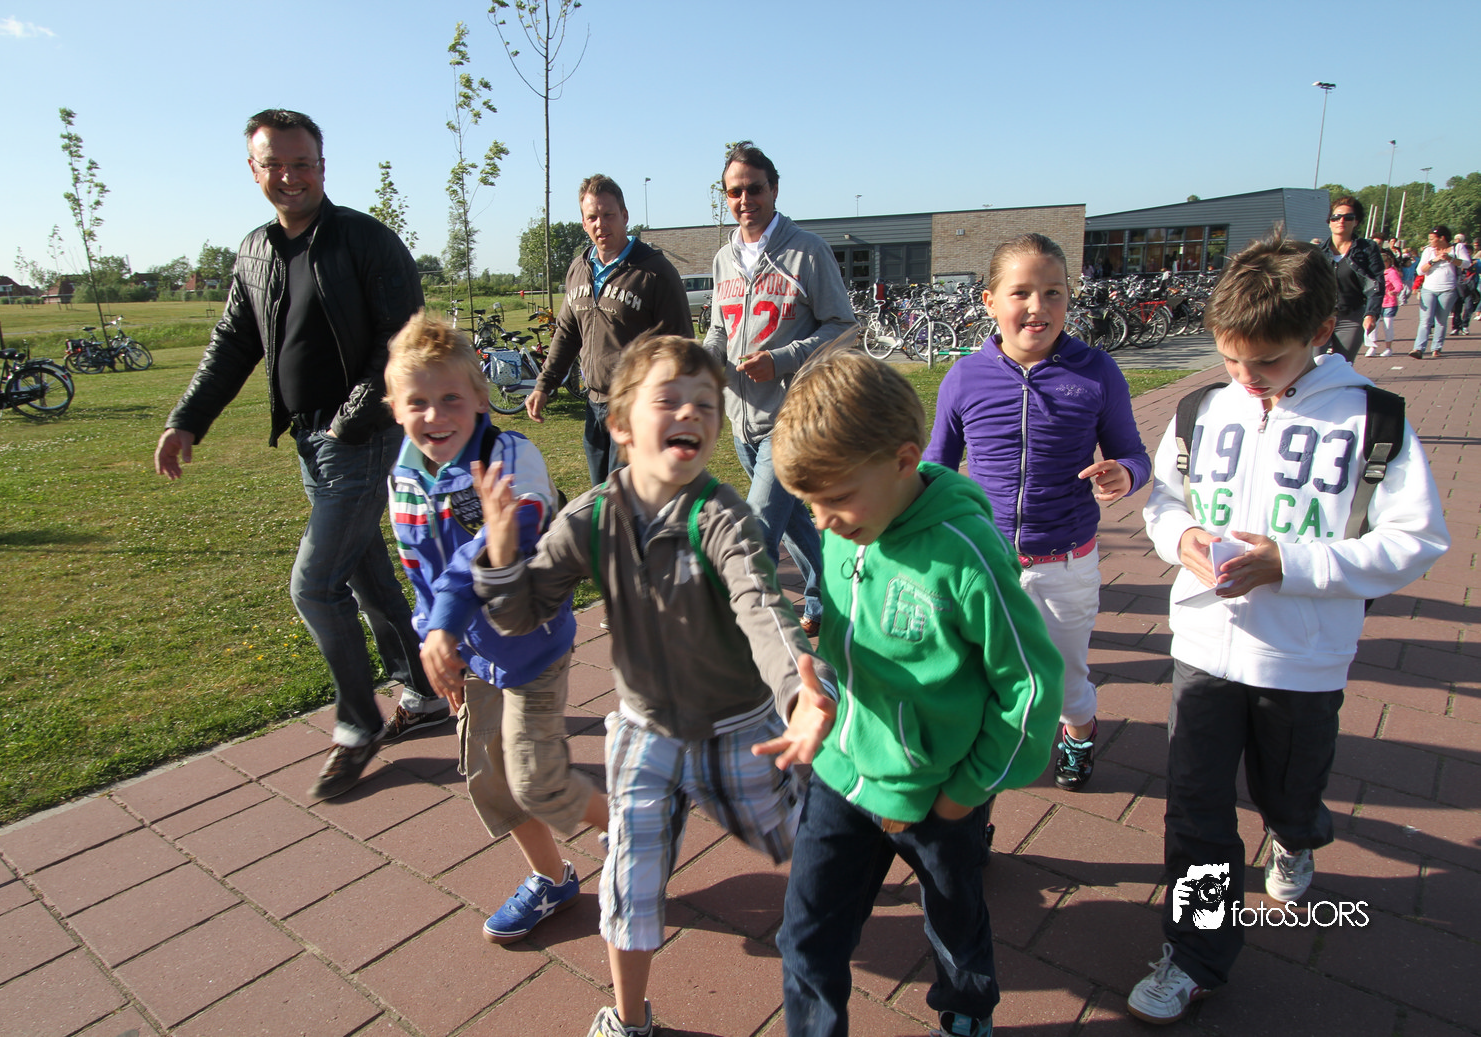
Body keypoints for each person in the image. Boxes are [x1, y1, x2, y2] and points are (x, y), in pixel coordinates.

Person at [1127, 231, 1448, 1025]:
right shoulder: (1204, 408)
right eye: (1229, 358)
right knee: (1194, 811)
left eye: (1265, 362)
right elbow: (1164, 500)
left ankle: (1296, 833)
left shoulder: (1373, 419)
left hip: (1302, 659)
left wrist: (1291, 564)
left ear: (1318, 332)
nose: (1245, 377)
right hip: (1203, 649)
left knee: (1288, 792)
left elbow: (1415, 539)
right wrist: (1180, 537)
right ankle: (1195, 954)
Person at [471, 335, 834, 1037]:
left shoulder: (721, 515)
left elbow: (761, 602)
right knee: (629, 883)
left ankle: (893, 826)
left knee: (816, 842)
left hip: (740, 728)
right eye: (669, 399)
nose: (691, 413)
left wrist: (799, 689)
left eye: (706, 403)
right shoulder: (592, 518)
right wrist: (502, 555)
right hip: (646, 732)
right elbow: (519, 614)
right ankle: (627, 1019)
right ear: (619, 425)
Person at [760, 347, 1063, 1037]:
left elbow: (1029, 684)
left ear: (903, 460)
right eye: (808, 504)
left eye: (834, 498)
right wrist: (815, 666)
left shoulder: (965, 553)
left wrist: (968, 790)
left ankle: (967, 1009)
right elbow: (844, 628)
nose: (821, 521)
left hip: (936, 790)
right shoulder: (846, 529)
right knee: (805, 935)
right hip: (841, 772)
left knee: (955, 918)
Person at [154, 109, 439, 801]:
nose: (289, 176)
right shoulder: (256, 251)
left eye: (301, 163)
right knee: (365, 572)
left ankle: (357, 726)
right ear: (253, 170)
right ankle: (426, 692)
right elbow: (234, 342)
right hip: (310, 440)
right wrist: (188, 419)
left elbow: (400, 341)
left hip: (362, 437)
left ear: (322, 166)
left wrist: (348, 423)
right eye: (274, 164)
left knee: (314, 585)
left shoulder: (366, 240)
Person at [383, 313, 607, 944]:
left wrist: (443, 625)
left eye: (451, 398)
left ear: (481, 397)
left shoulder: (511, 456)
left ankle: (630, 831)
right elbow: (420, 572)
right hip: (470, 658)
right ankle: (552, 879)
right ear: (394, 409)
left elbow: (495, 541)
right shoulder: (404, 476)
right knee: (490, 780)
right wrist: (438, 642)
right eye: (417, 403)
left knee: (538, 777)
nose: (435, 416)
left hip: (530, 645)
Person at [924, 233, 1151, 793]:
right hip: (986, 566)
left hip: (1065, 564)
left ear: (1069, 298)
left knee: (1065, 679)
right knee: (981, 677)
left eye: (1053, 293)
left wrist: (1125, 474)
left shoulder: (1096, 371)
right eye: (1021, 292)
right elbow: (936, 466)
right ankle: (980, 773)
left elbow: (1134, 454)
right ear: (989, 301)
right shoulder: (964, 377)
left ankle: (1079, 731)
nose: (1037, 307)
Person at [702, 141, 856, 638]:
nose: (744, 200)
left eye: (754, 189)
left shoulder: (807, 251)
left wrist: (782, 359)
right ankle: (830, 594)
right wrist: (702, 361)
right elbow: (720, 330)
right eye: (734, 192)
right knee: (793, 521)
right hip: (741, 418)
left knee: (757, 532)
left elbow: (843, 328)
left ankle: (749, 643)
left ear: (774, 189)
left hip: (792, 419)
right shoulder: (723, 258)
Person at [528, 174, 693, 487]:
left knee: (626, 497)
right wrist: (544, 384)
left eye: (608, 215)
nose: (601, 224)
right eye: (592, 217)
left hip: (636, 408)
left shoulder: (655, 272)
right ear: (583, 223)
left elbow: (681, 345)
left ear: (625, 216)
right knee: (601, 497)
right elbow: (567, 333)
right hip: (595, 407)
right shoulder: (579, 269)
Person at [1318, 196, 1383, 364]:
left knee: (1342, 365)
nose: (1341, 221)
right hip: (1320, 317)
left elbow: (1376, 283)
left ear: (1356, 222)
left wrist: (1371, 314)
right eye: (1336, 217)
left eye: (1348, 217)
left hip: (1351, 317)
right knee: (1314, 364)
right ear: (1329, 221)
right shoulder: (1318, 252)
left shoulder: (1367, 249)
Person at [1410, 225, 1465, 358]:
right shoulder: (1428, 251)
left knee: (1441, 320)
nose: (1430, 242)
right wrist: (1433, 260)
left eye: (1432, 239)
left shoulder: (1457, 248)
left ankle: (1436, 348)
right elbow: (1420, 271)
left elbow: (1466, 263)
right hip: (1429, 289)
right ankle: (1418, 349)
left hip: (1448, 289)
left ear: (1442, 238)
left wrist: (1450, 259)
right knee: (1426, 320)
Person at [1365, 247, 1403, 357]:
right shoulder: (1374, 272)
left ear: (1387, 262)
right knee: (1373, 326)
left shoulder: (1391, 273)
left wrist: (1394, 291)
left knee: (1388, 326)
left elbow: (1399, 285)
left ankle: (1388, 348)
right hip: (1376, 303)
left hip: (1389, 303)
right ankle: (1372, 347)